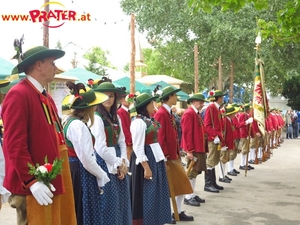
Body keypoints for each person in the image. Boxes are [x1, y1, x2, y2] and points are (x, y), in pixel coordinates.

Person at [1, 46, 76, 224]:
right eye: (52, 63)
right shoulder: (18, 94)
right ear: (39, 65)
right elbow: (14, 145)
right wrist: (32, 181)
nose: (55, 68)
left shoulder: (45, 97)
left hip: (52, 181)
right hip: (32, 187)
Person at [62, 82, 110, 225]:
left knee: (77, 210)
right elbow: (87, 159)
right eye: (94, 105)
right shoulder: (79, 126)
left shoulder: (69, 121)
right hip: (80, 172)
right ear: (88, 108)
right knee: (83, 211)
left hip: (74, 170)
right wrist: (101, 174)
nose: (96, 108)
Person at [90, 82, 131, 225]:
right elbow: (100, 147)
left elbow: (122, 141)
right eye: (105, 95)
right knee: (109, 203)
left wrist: (124, 161)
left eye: (111, 95)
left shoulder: (116, 117)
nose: (108, 98)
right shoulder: (96, 118)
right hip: (104, 163)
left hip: (118, 160)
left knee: (122, 202)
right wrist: (118, 162)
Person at [129, 93, 172, 225]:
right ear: (145, 105)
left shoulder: (148, 119)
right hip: (145, 161)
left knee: (156, 193)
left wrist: (161, 160)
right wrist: (146, 167)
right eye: (151, 103)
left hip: (154, 158)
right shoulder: (138, 122)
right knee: (147, 193)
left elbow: (155, 142)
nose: (154, 105)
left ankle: (155, 220)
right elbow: (137, 147)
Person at [154, 86, 193, 223]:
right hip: (167, 156)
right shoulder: (161, 113)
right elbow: (160, 137)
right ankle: (171, 212)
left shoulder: (168, 112)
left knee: (180, 185)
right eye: (175, 96)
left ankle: (178, 211)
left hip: (173, 154)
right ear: (170, 97)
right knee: (174, 185)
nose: (177, 98)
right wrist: (164, 156)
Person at [181, 93, 208, 207]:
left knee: (195, 172)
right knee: (191, 172)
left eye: (202, 102)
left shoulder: (195, 113)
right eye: (199, 102)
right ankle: (188, 196)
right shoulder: (189, 113)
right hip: (194, 148)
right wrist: (189, 150)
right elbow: (187, 133)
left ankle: (191, 193)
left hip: (198, 146)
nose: (202, 104)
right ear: (193, 102)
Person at [203, 89, 226, 193]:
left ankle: (213, 182)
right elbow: (207, 125)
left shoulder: (216, 108)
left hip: (216, 139)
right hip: (213, 139)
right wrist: (214, 136)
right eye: (221, 97)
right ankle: (208, 184)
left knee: (214, 160)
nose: (223, 98)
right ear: (219, 98)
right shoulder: (211, 108)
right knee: (210, 161)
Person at [219, 105, 239, 183]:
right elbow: (222, 133)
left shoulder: (229, 120)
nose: (235, 115)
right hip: (225, 143)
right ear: (230, 114)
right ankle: (221, 176)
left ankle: (223, 174)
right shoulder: (225, 120)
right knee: (223, 160)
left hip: (229, 142)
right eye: (234, 113)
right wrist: (223, 144)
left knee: (226, 159)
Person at [117, 92, 134, 160]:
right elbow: (124, 128)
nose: (127, 100)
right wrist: (129, 141)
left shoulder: (131, 111)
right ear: (121, 100)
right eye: (125, 98)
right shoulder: (120, 111)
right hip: (128, 142)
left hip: (133, 140)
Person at [238, 103, 254, 170]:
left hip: (247, 134)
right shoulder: (242, 115)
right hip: (244, 134)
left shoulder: (247, 115)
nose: (250, 110)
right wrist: (247, 122)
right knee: (244, 150)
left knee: (247, 150)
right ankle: (242, 164)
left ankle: (245, 163)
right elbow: (241, 125)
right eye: (250, 109)